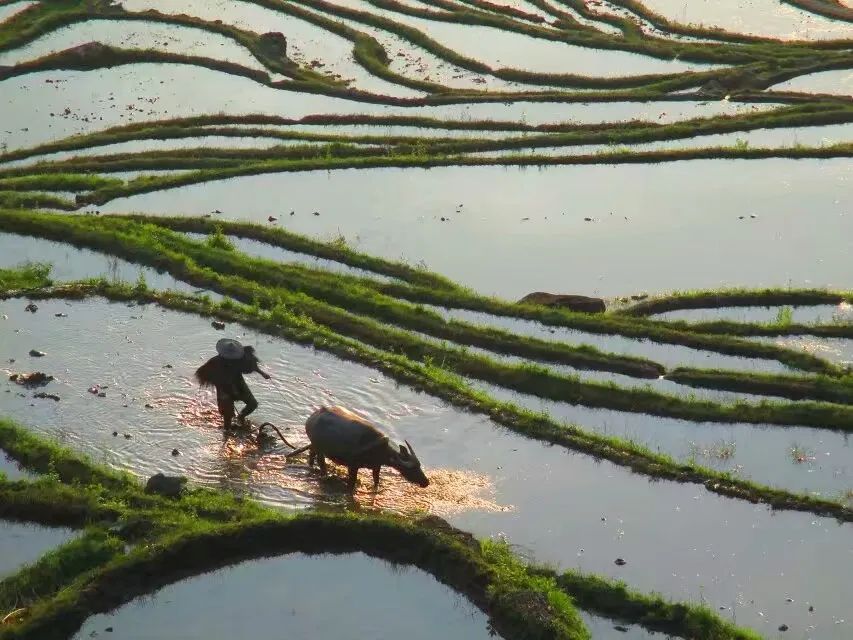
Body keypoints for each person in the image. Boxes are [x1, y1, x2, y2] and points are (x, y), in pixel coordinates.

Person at [195, 338, 271, 431]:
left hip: (239, 384)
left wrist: (262, 373)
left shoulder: (240, 358)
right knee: (228, 414)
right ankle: (227, 431)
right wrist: (218, 381)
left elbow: (251, 365)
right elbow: (203, 374)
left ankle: (241, 416)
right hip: (223, 389)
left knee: (253, 404)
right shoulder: (214, 362)